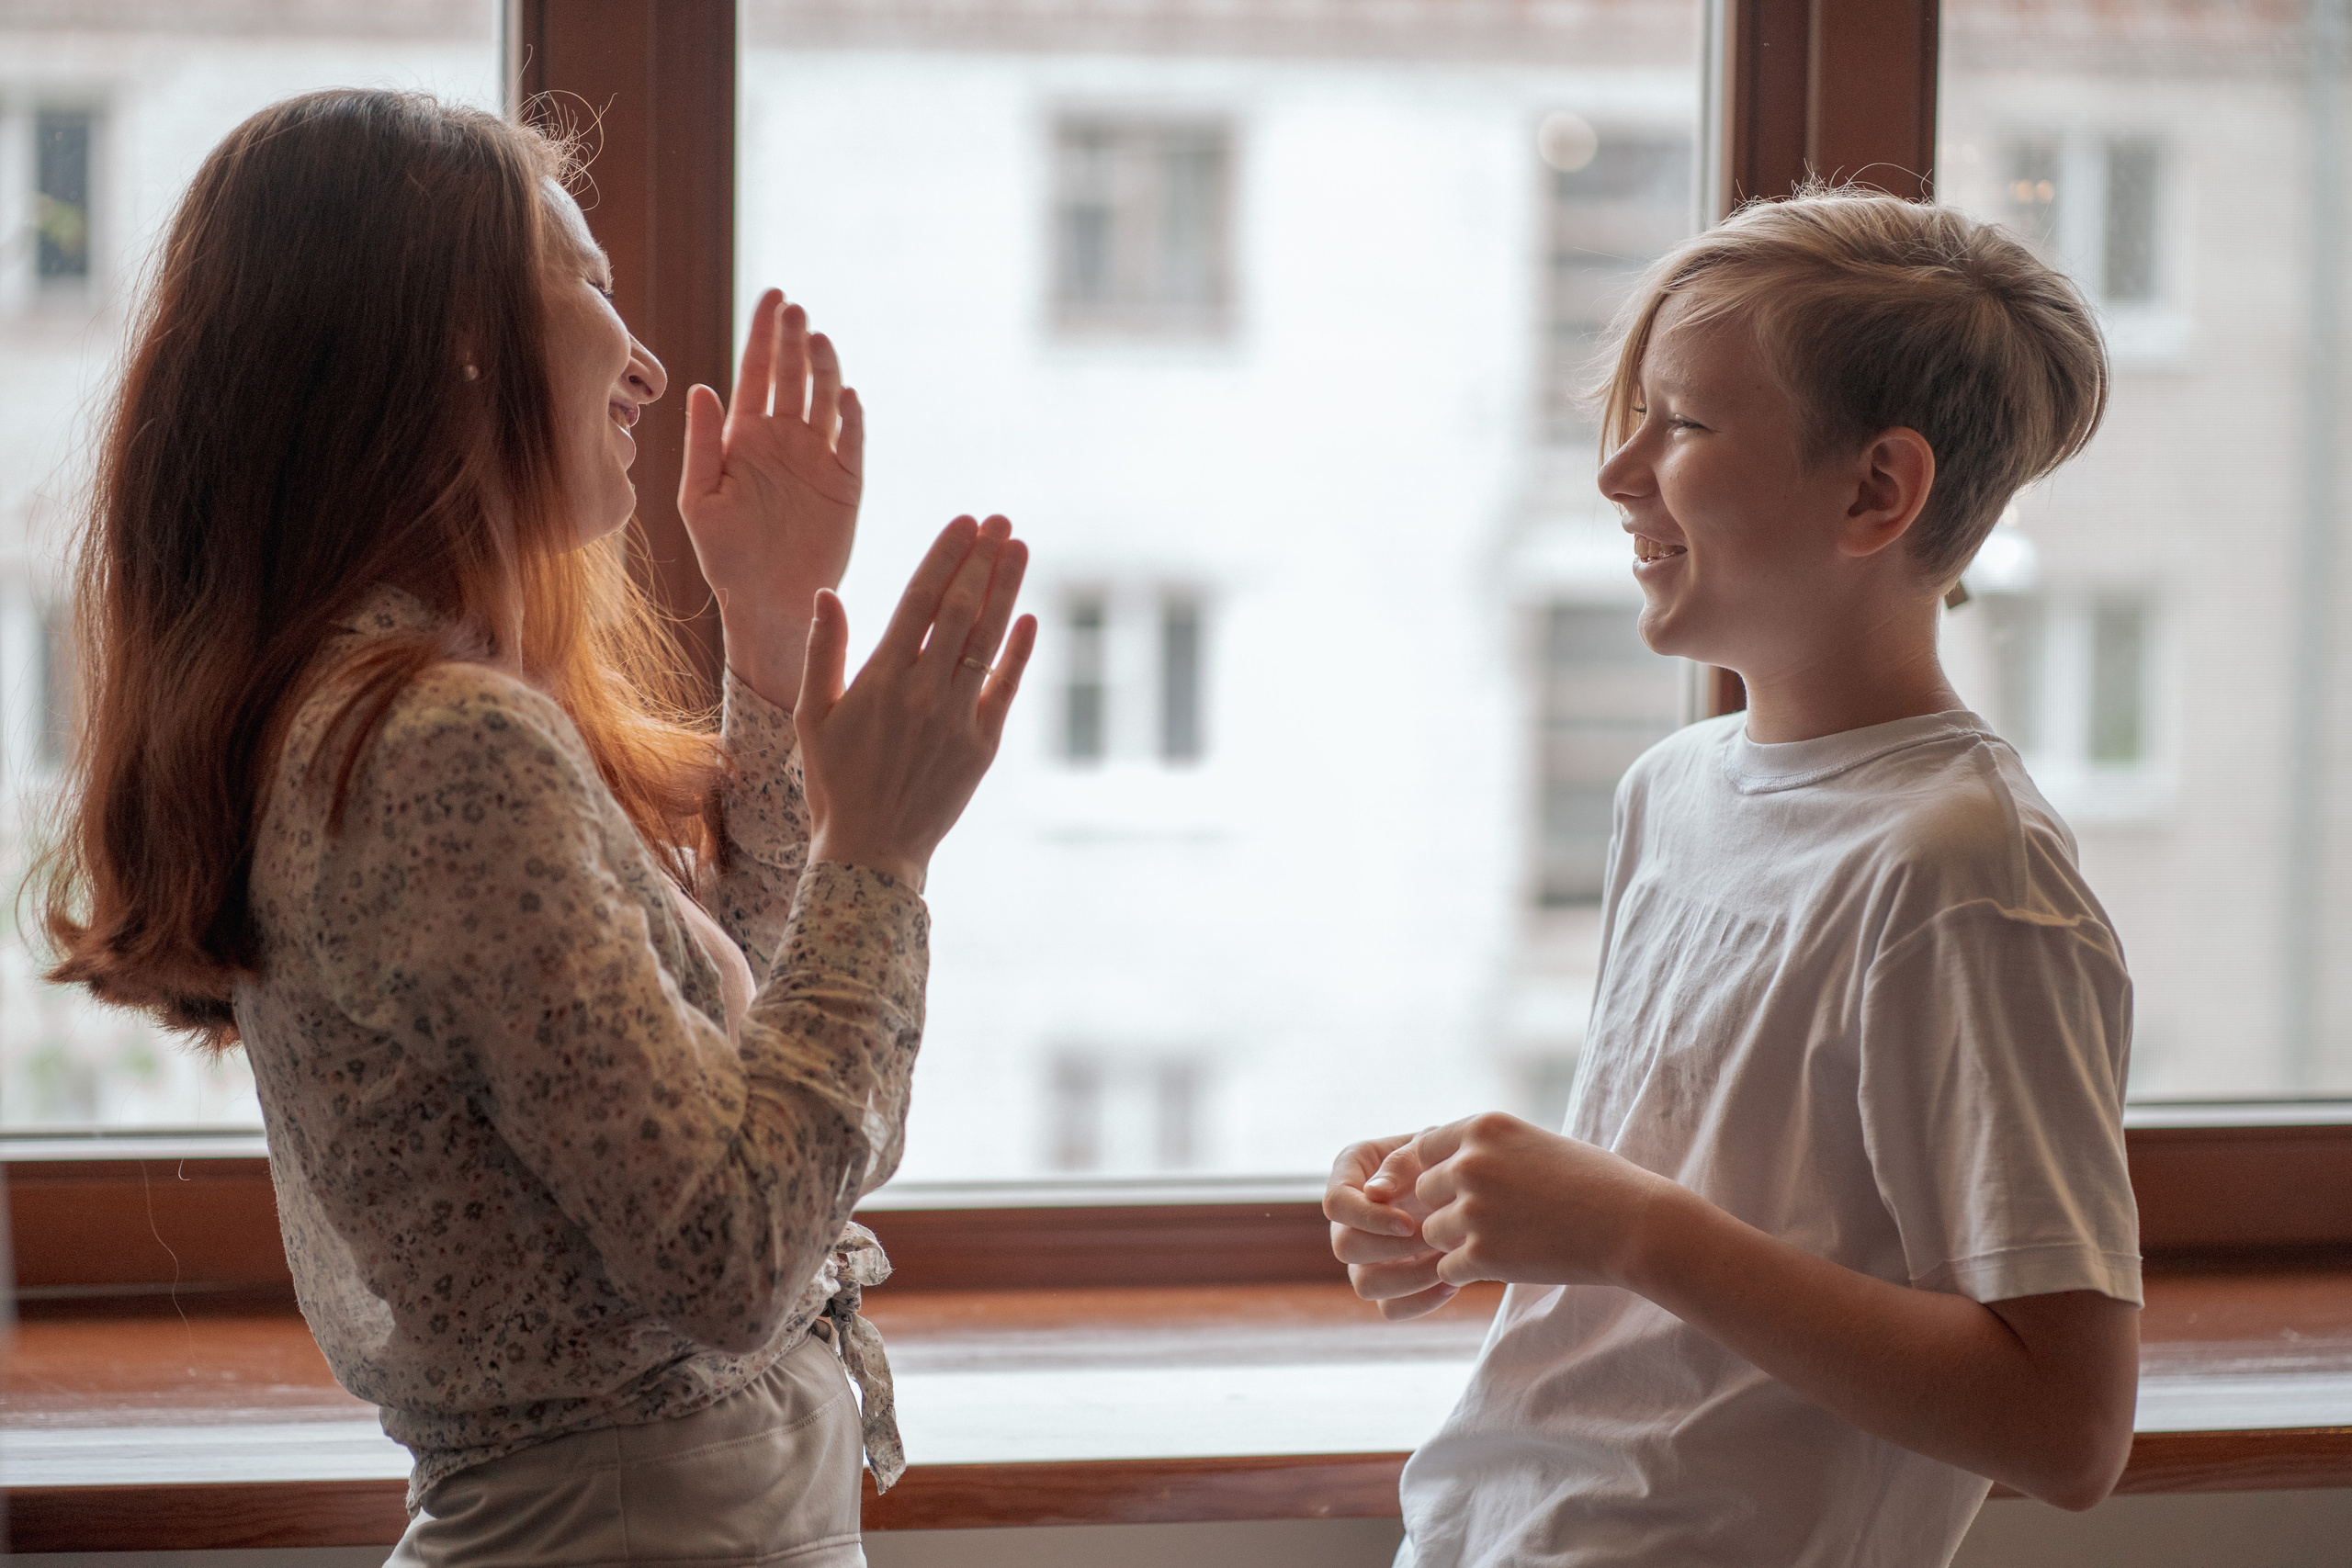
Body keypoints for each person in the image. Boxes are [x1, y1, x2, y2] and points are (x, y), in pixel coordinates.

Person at [35, 88, 1035, 1565]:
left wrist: (767, 646)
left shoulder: (371, 707)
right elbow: (733, 1253)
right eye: (587, 287)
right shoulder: (437, 744)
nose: (642, 365)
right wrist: (877, 857)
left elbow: (714, 1081)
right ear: (455, 341)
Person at [1325, 187, 2138, 1568]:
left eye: (1685, 424)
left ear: (1877, 490)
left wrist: (1635, 1230)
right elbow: (1729, 1198)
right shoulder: (1675, 792)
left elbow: (2064, 1429)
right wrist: (1480, 1204)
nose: (1617, 472)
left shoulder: (1965, 875)